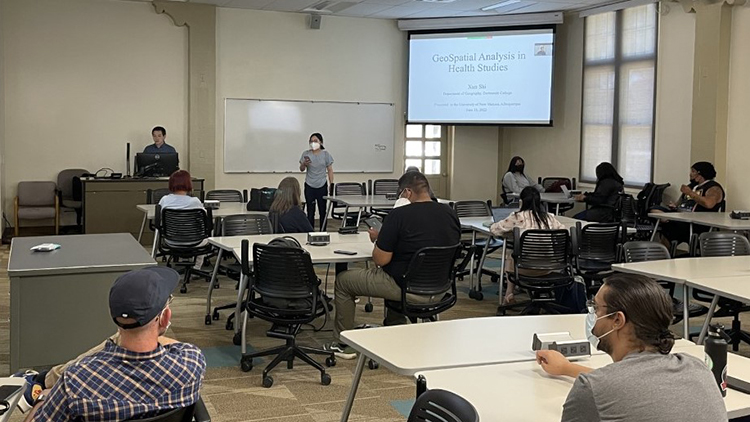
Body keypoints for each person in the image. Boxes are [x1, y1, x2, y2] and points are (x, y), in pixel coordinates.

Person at [21, 267, 206, 422]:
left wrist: (43, 397)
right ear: (165, 318)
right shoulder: (191, 364)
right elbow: (173, 345)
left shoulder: (75, 382)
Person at [536, 273, 726, 422]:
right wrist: (567, 368)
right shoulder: (697, 368)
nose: (592, 315)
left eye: (596, 308)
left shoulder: (593, 388)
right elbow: (637, 382)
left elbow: (613, 385)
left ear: (618, 320)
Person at [325, 171, 460, 359]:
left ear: (407, 192)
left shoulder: (399, 215)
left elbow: (381, 260)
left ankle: (343, 343)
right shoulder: (450, 213)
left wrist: (379, 240)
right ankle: (396, 331)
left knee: (343, 281)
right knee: (396, 272)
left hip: (405, 286)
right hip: (440, 288)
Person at [490, 186, 566, 304]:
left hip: (522, 268)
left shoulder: (516, 217)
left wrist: (512, 233)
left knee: (511, 255)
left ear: (521, 202)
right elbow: (563, 232)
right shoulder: (549, 218)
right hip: (549, 268)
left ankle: (509, 294)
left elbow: (495, 230)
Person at [654, 161, 725, 245]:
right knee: (654, 209)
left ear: (700, 174)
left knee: (670, 228)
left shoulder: (713, 188)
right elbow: (678, 203)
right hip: (682, 216)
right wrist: (674, 206)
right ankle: (667, 221)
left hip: (698, 223)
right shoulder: (691, 186)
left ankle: (668, 224)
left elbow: (709, 204)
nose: (690, 174)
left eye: (693, 171)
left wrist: (690, 193)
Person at [159, 170, 206, 269]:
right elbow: (204, 220)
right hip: (195, 241)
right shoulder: (195, 202)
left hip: (171, 241)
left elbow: (160, 221)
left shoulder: (164, 200)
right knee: (209, 234)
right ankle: (197, 267)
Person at [299, 133, 334, 230]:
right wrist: (304, 164)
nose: (313, 143)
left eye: (315, 141)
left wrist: (331, 184)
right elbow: (301, 169)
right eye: (311, 141)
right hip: (309, 185)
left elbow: (330, 170)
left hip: (322, 185)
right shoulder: (306, 154)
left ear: (321, 142)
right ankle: (310, 230)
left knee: (323, 210)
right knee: (310, 211)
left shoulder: (326, 155)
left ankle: (323, 231)